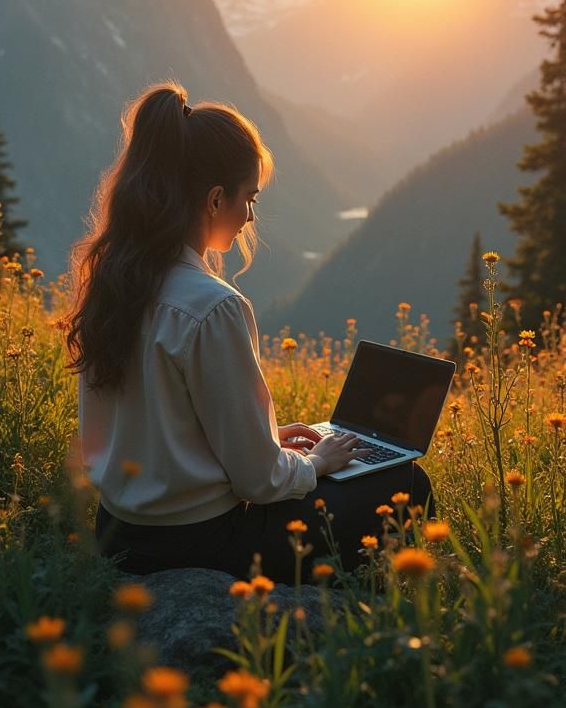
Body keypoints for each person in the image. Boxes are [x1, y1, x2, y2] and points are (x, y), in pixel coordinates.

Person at [68, 82, 432, 584]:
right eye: (249, 198)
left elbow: (153, 427)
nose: (250, 217)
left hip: (120, 531)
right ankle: (373, 613)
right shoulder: (212, 306)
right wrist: (316, 463)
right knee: (407, 482)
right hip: (202, 541)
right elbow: (259, 483)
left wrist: (266, 441)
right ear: (216, 199)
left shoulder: (113, 279)